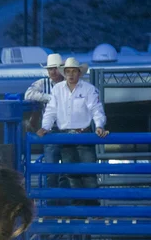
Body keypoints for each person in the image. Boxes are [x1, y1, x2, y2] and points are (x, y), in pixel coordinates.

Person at [38, 57, 109, 206]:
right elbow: (51, 110)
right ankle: (79, 209)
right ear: (64, 73)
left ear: (79, 73)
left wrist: (99, 125)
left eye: (73, 71)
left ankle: (92, 208)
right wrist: (46, 126)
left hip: (84, 134)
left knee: (88, 173)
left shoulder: (88, 89)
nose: (70, 74)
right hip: (65, 136)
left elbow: (96, 109)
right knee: (72, 174)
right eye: (68, 71)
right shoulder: (57, 89)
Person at [25, 53, 70, 204]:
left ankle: (62, 205)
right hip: (51, 132)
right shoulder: (43, 83)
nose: (53, 72)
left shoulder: (70, 82)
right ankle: (53, 205)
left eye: (55, 68)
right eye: (50, 69)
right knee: (51, 171)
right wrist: (49, 98)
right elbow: (28, 94)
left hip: (67, 131)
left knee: (66, 171)